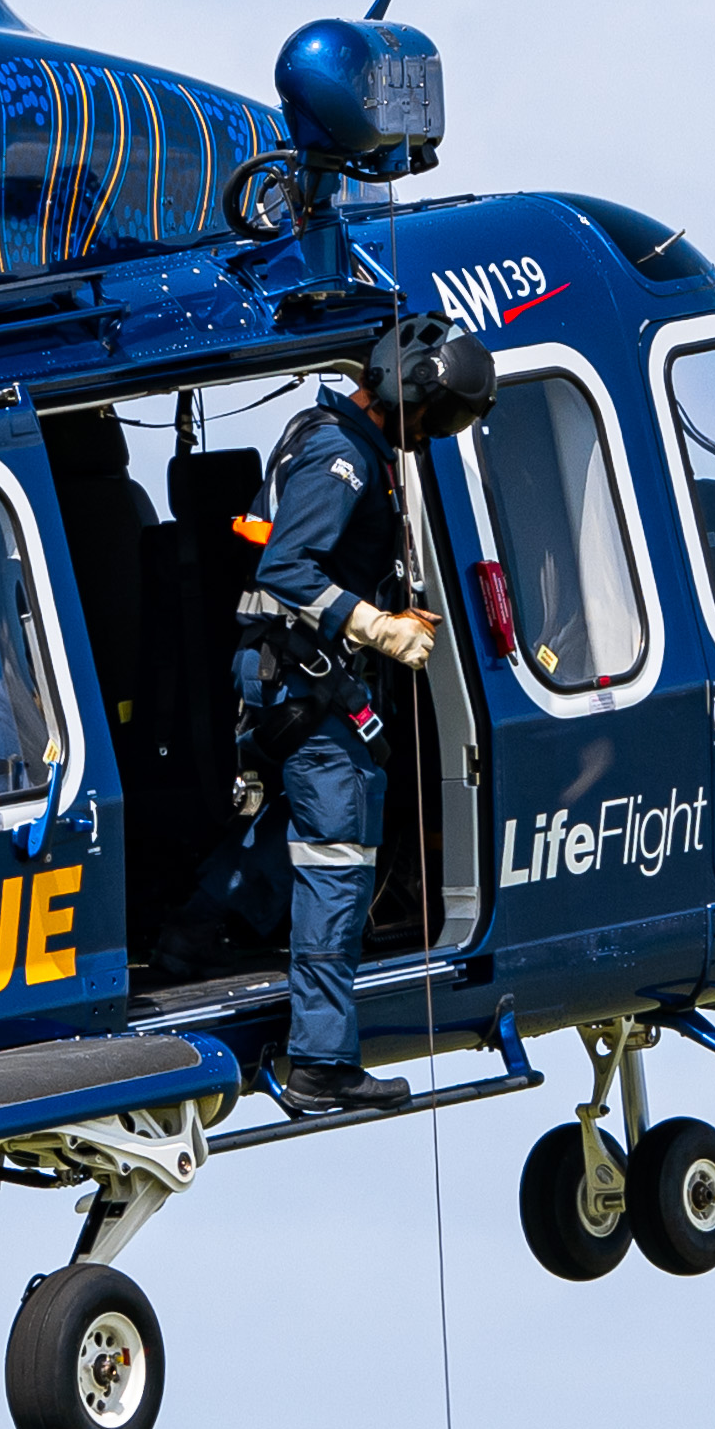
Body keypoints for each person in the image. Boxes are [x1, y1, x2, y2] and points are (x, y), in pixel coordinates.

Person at [222, 323, 488, 1116]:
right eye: (437, 418)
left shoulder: (340, 442)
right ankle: (320, 1062)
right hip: (306, 684)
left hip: (303, 681)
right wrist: (375, 628)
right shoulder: (340, 459)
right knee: (336, 863)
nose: (433, 435)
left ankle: (193, 939)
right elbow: (286, 569)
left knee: (300, 837)